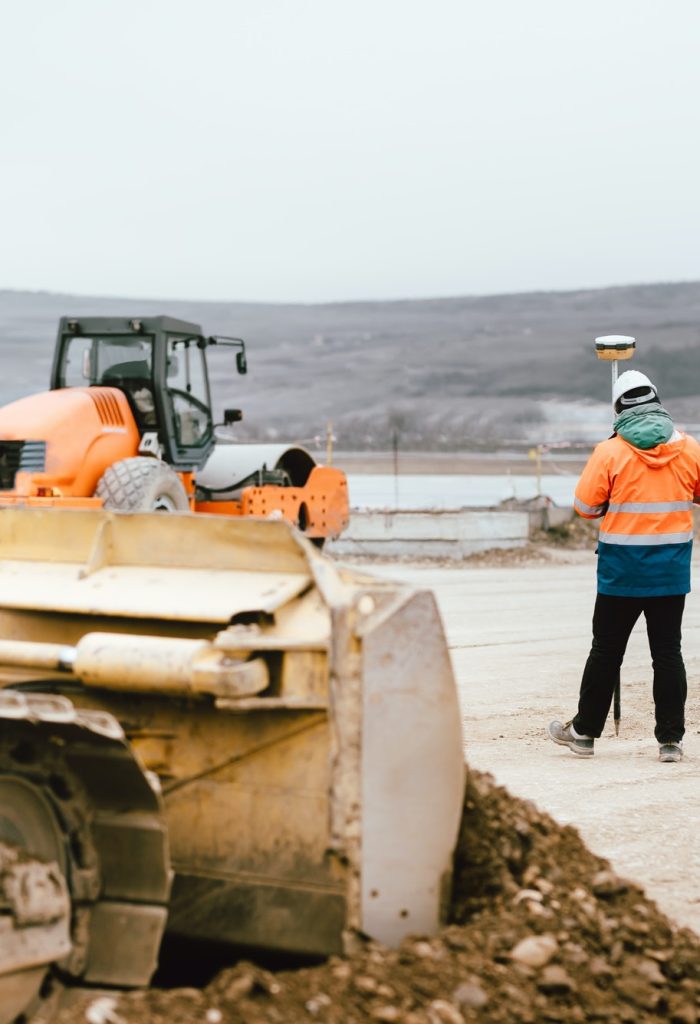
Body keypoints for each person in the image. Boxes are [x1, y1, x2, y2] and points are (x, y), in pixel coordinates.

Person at [548, 369, 700, 763]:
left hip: (620, 574)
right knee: (668, 653)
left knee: (606, 651)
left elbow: (584, 508)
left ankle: (584, 733)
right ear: (657, 400)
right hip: (670, 572)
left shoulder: (610, 452)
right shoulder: (688, 449)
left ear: (619, 408)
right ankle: (670, 741)